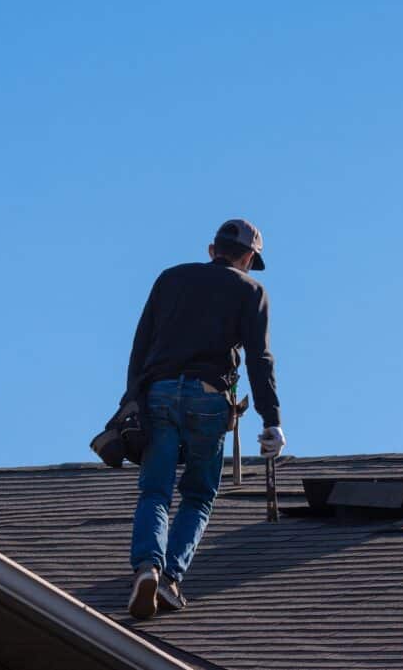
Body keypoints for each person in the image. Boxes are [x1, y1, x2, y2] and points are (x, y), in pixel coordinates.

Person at [124, 219, 285, 620]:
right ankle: (170, 578)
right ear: (248, 256)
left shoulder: (170, 279)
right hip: (210, 397)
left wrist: (131, 401)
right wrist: (271, 420)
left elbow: (140, 344)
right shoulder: (251, 290)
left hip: (158, 391)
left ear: (212, 249)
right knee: (197, 495)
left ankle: (147, 566)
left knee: (154, 492)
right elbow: (259, 360)